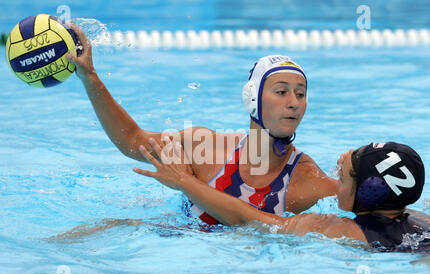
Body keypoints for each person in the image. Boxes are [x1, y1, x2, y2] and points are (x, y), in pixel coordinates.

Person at [66, 24, 337, 224]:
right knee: (105, 227)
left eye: (301, 94)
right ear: (252, 98)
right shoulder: (205, 149)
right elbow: (132, 140)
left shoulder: (307, 181)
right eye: (281, 92)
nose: (294, 102)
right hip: (173, 246)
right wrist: (89, 76)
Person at [134, 139, 430, 252]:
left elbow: (247, 218)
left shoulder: (338, 229)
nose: (340, 162)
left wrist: (184, 181)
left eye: (348, 171)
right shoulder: (420, 220)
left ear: (370, 191)